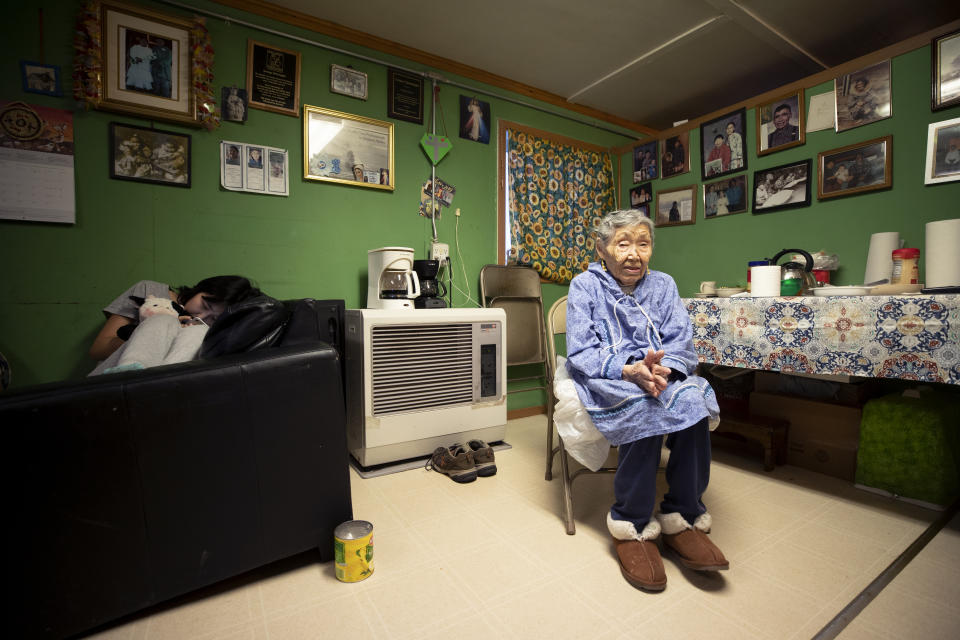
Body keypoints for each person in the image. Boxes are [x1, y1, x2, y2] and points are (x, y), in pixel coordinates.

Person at [565, 209, 724, 592]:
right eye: (623, 244)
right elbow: (581, 352)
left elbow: (681, 343)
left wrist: (662, 370)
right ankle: (631, 525)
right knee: (643, 405)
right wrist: (629, 369)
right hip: (610, 374)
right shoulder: (584, 286)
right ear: (601, 248)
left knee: (695, 398)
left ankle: (683, 517)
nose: (634, 254)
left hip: (661, 371)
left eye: (643, 243)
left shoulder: (665, 285)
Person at [89, 276, 261, 375]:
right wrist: (154, 333)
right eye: (205, 306)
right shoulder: (149, 290)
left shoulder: (205, 330)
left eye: (213, 319)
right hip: (110, 378)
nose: (201, 316)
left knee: (199, 332)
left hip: (160, 396)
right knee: (164, 321)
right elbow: (98, 348)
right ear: (201, 289)